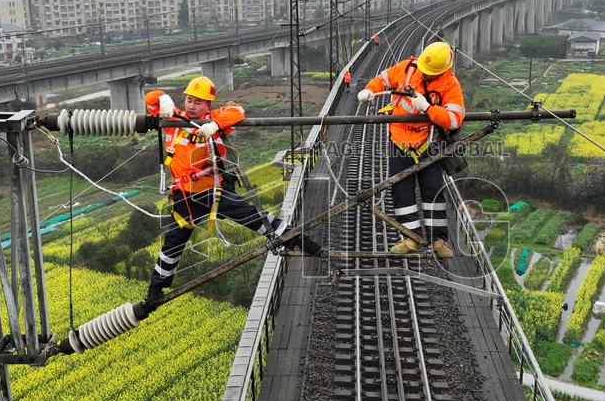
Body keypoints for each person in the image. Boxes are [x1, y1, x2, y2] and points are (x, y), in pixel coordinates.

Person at [136, 76, 321, 317]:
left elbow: (237, 110)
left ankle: (297, 239)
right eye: (189, 100)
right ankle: (155, 290)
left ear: (208, 106)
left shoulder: (213, 122)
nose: (192, 106)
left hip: (214, 192)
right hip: (185, 198)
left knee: (255, 217)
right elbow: (150, 101)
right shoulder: (172, 121)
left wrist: (213, 125)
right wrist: (162, 98)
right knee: (172, 244)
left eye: (199, 102)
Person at [357, 41, 465, 258]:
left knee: (432, 193)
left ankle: (439, 241)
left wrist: (427, 108)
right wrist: (369, 90)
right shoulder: (409, 69)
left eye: (430, 74)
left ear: (443, 70)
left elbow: (454, 120)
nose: (425, 76)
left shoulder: (450, 85)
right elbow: (383, 79)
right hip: (400, 142)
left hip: (429, 145)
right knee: (402, 194)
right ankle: (411, 238)